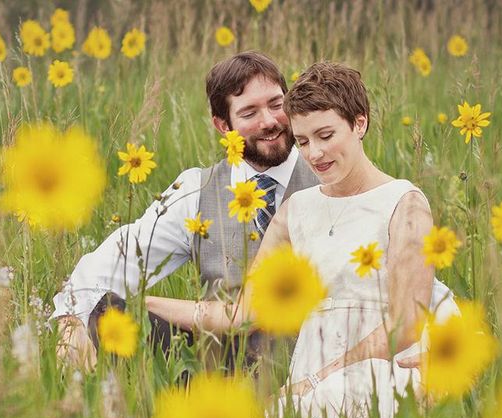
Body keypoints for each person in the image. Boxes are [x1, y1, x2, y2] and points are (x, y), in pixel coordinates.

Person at [145, 62, 458, 418]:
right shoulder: (296, 210)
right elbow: (245, 313)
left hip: (380, 364)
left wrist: (317, 381)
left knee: (324, 410)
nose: (315, 154)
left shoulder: (404, 202)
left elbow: (406, 323)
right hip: (312, 368)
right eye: (304, 141)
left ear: (359, 124)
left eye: (326, 135)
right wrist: (143, 303)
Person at [52, 51, 320, 370]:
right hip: (219, 368)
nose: (270, 121)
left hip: (312, 362)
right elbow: (118, 259)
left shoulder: (328, 173)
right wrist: (71, 320)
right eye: (249, 113)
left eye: (276, 104)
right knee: (110, 312)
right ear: (223, 125)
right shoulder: (197, 191)